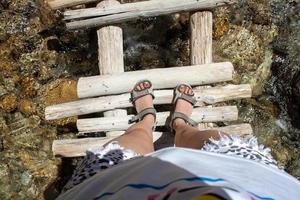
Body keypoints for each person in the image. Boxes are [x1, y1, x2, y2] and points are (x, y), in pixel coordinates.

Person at [57, 80, 300, 200]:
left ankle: (145, 122)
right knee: (217, 142)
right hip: (247, 184)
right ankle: (180, 124)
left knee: (120, 156)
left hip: (113, 190)